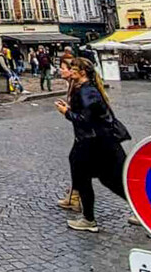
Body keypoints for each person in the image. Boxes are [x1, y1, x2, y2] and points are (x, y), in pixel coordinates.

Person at [55, 58, 129, 232]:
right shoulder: (85, 89)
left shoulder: (87, 92)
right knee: (108, 180)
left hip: (94, 143)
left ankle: (89, 219)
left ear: (82, 72)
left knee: (101, 180)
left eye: (73, 68)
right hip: (96, 142)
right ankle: (87, 215)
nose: (70, 71)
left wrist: (66, 112)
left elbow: (86, 120)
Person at [56, 55, 81, 213]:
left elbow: (84, 116)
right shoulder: (73, 85)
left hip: (92, 136)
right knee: (76, 163)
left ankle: (141, 205)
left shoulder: (82, 88)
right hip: (84, 135)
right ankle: (74, 197)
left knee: (111, 177)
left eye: (64, 68)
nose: (61, 70)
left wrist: (67, 112)